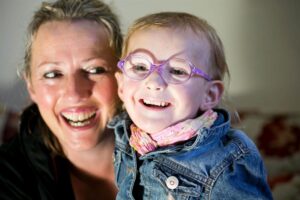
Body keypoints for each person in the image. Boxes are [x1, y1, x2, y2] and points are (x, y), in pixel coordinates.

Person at [109, 12, 273, 199]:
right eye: (140, 67)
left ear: (209, 95)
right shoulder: (124, 134)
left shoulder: (227, 161)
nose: (154, 82)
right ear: (121, 85)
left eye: (177, 71)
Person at [0, 0, 122, 199]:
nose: (74, 93)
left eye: (94, 69)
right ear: (31, 85)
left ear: (122, 77)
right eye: (52, 74)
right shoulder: (7, 177)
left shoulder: (177, 148)